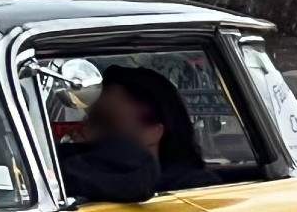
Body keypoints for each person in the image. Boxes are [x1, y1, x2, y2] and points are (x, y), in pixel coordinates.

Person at [57, 64, 218, 203]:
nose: (90, 131)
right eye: (91, 120)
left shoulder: (193, 191)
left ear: (154, 132)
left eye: (107, 123)